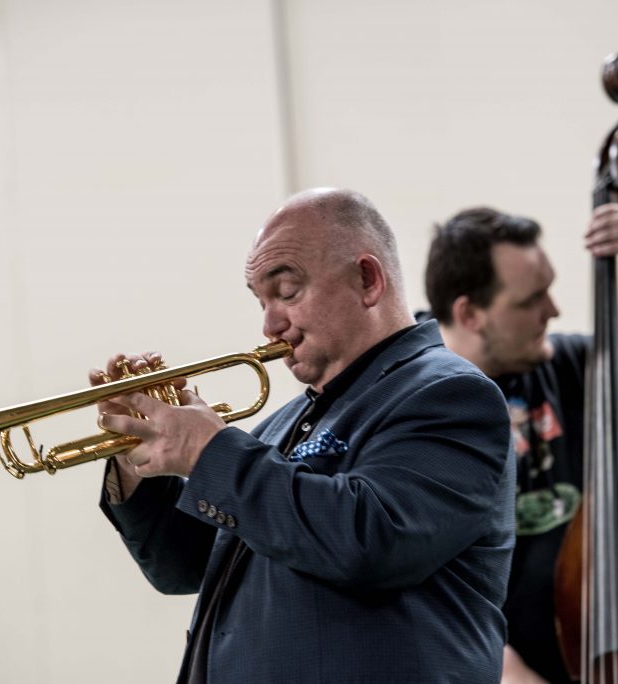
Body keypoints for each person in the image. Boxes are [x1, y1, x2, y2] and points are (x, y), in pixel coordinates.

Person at [93, 188, 517, 683]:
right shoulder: (281, 424)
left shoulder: (449, 394)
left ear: (367, 279)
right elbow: (180, 567)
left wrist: (210, 451)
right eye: (261, 301)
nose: (271, 324)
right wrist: (138, 454)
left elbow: (372, 540)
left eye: (287, 292)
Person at [422, 203, 618, 684]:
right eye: (532, 299)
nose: (552, 310)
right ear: (470, 313)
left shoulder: (576, 367)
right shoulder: (410, 402)